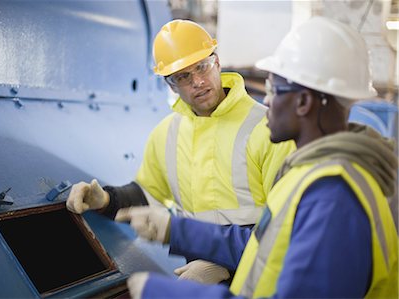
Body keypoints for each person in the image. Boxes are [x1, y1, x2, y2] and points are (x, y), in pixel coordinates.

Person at [116, 16, 398, 298]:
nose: (265, 100)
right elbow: (268, 243)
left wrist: (165, 292)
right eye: (182, 76)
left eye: (274, 89)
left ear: (303, 102)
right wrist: (176, 231)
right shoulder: (311, 175)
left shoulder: (332, 196)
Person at [66, 20, 294, 284]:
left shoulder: (269, 129)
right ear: (171, 85)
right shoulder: (167, 133)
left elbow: (288, 230)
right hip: (197, 277)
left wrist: (228, 267)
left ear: (217, 63)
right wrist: (104, 200)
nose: (197, 81)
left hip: (264, 279)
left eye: (202, 66)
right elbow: (148, 195)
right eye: (183, 76)